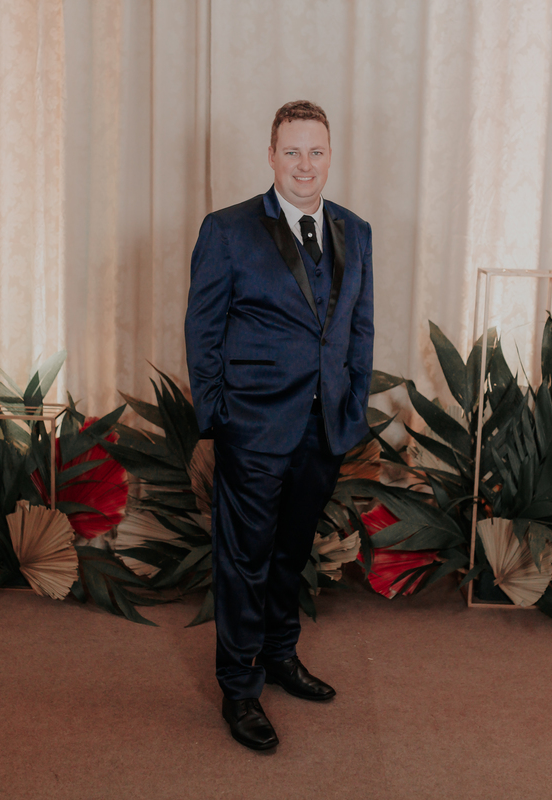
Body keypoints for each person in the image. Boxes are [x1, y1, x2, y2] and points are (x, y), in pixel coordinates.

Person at [185, 100, 374, 750]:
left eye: (315, 151)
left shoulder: (356, 230)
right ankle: (239, 689)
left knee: (292, 552)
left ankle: (279, 655)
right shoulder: (227, 230)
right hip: (253, 429)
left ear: (330, 156)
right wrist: (217, 423)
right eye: (291, 151)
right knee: (245, 560)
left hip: (324, 430)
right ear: (271, 156)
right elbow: (203, 333)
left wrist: (352, 409)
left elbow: (359, 329)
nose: (304, 164)